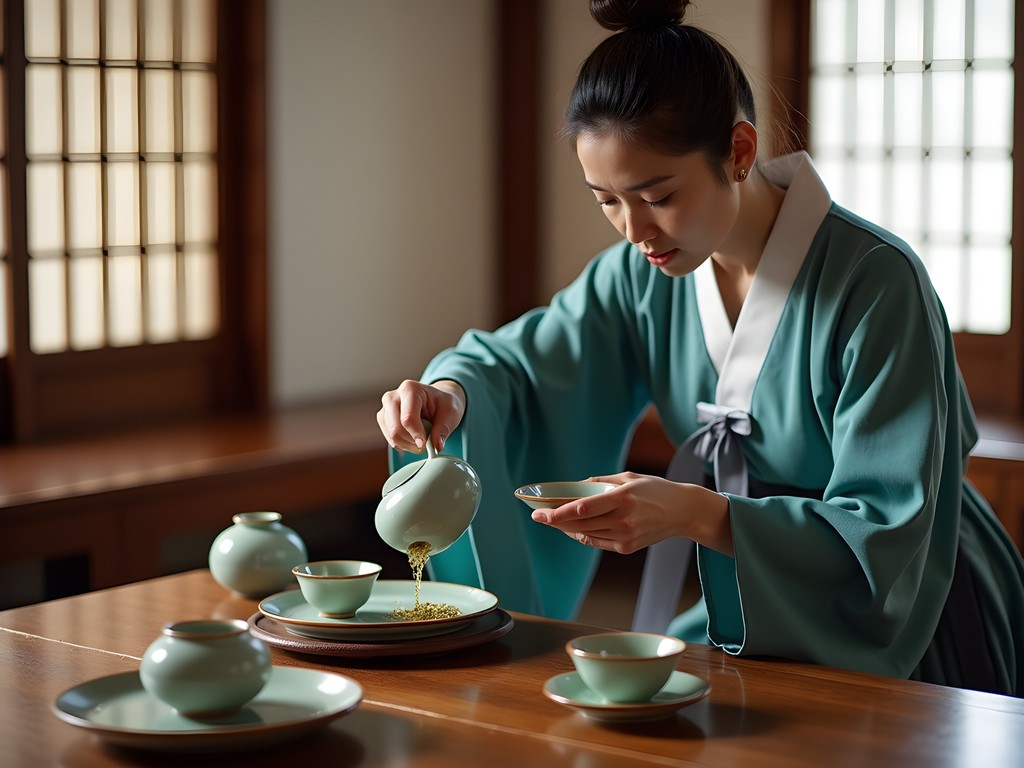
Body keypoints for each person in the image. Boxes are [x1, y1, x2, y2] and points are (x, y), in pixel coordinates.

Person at [376, 0, 1024, 696]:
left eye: (656, 194)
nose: (635, 230)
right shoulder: (638, 276)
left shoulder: (876, 284)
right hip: (748, 594)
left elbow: (886, 532)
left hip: (902, 605)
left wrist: (691, 512)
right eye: (607, 200)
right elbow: (527, 368)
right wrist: (450, 395)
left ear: (739, 152)